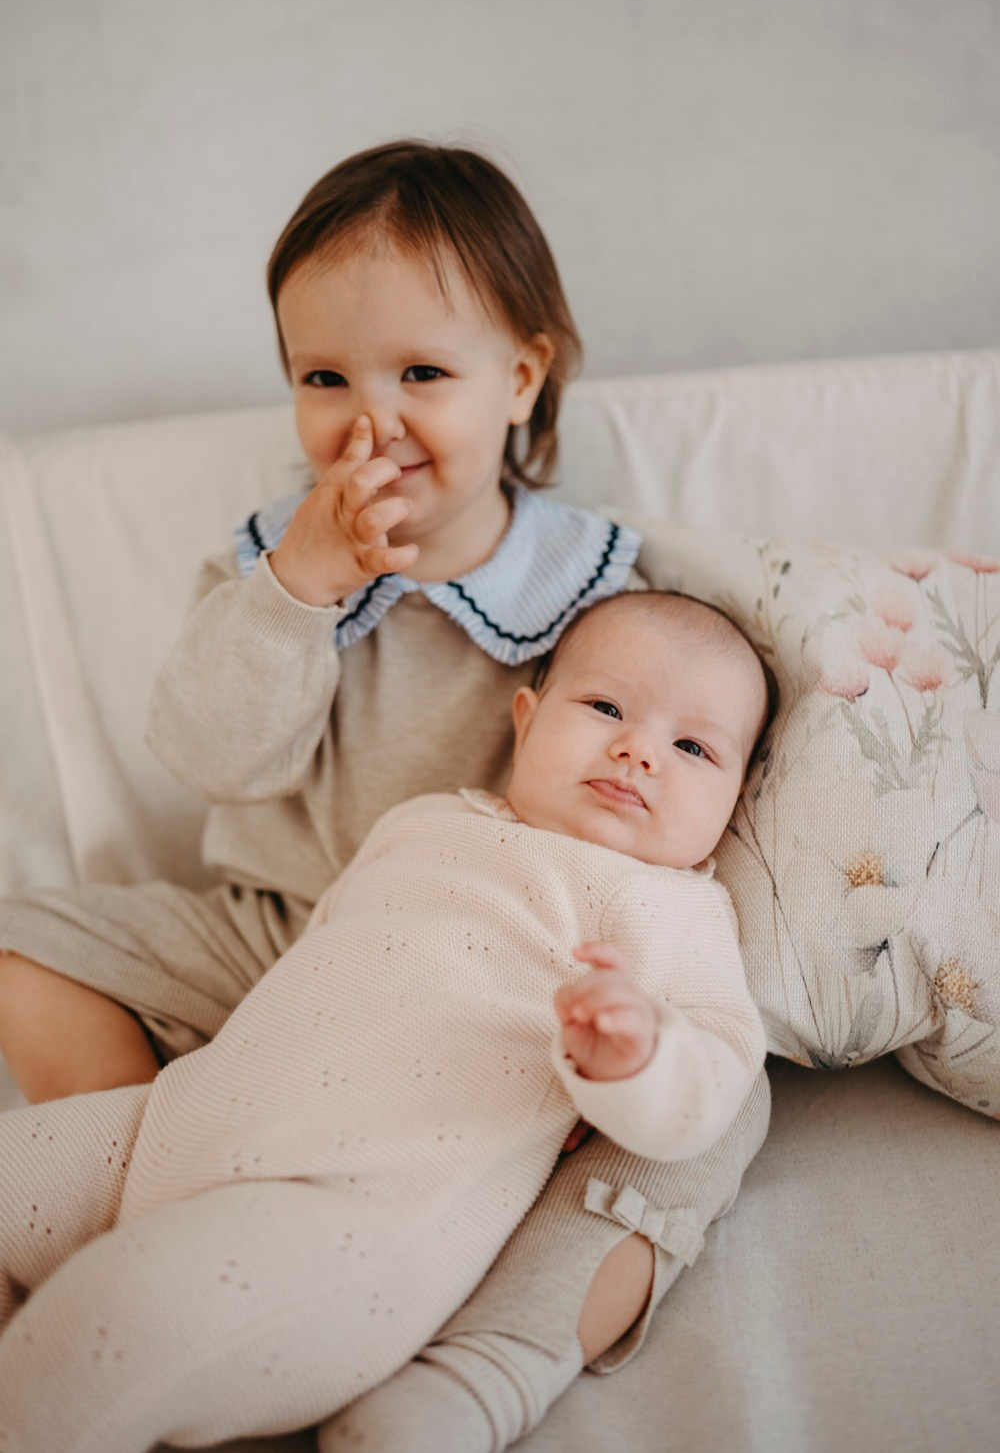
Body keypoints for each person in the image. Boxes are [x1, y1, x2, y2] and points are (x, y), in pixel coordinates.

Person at [0, 141, 770, 1451]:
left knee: (716, 1110)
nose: (373, 420)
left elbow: (698, 722)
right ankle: (144, 1185)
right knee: (26, 939)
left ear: (520, 378)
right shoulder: (275, 561)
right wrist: (298, 591)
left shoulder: (593, 596)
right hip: (275, 926)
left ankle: (502, 1346)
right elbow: (213, 760)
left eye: (421, 374)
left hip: (496, 994)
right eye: (325, 378)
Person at [0, 592, 768, 1452]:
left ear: (734, 802)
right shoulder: (425, 820)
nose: (639, 750)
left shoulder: (675, 911)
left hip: (348, 1227)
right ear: (525, 721)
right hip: (181, 1122)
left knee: (99, 1332)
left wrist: (637, 1058)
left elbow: (715, 1080)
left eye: (693, 747)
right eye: (605, 707)